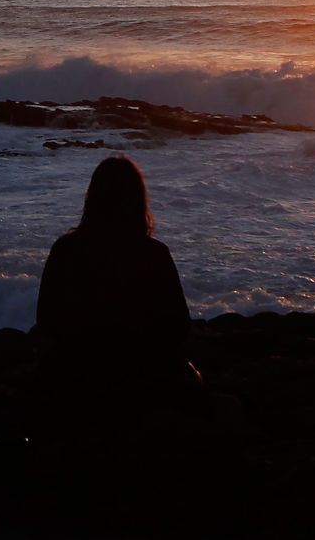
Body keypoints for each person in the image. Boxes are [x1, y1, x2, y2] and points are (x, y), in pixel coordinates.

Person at [34, 153, 206, 421]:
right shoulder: (154, 254)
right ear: (138, 201)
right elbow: (178, 326)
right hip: (142, 385)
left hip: (74, 384)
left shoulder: (65, 250)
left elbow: (46, 322)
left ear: (92, 199)